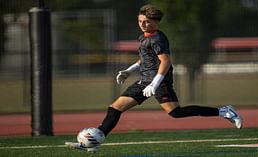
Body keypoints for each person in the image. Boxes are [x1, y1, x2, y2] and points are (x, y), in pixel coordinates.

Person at [66, 4, 242, 153]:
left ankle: (224, 111)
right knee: (115, 108)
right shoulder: (144, 37)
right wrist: (129, 70)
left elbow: (165, 61)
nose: (142, 24)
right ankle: (95, 143)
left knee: (175, 113)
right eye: (140, 20)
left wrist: (155, 83)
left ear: (155, 22)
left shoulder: (158, 38)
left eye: (147, 21)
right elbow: (145, 59)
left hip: (159, 81)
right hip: (144, 80)